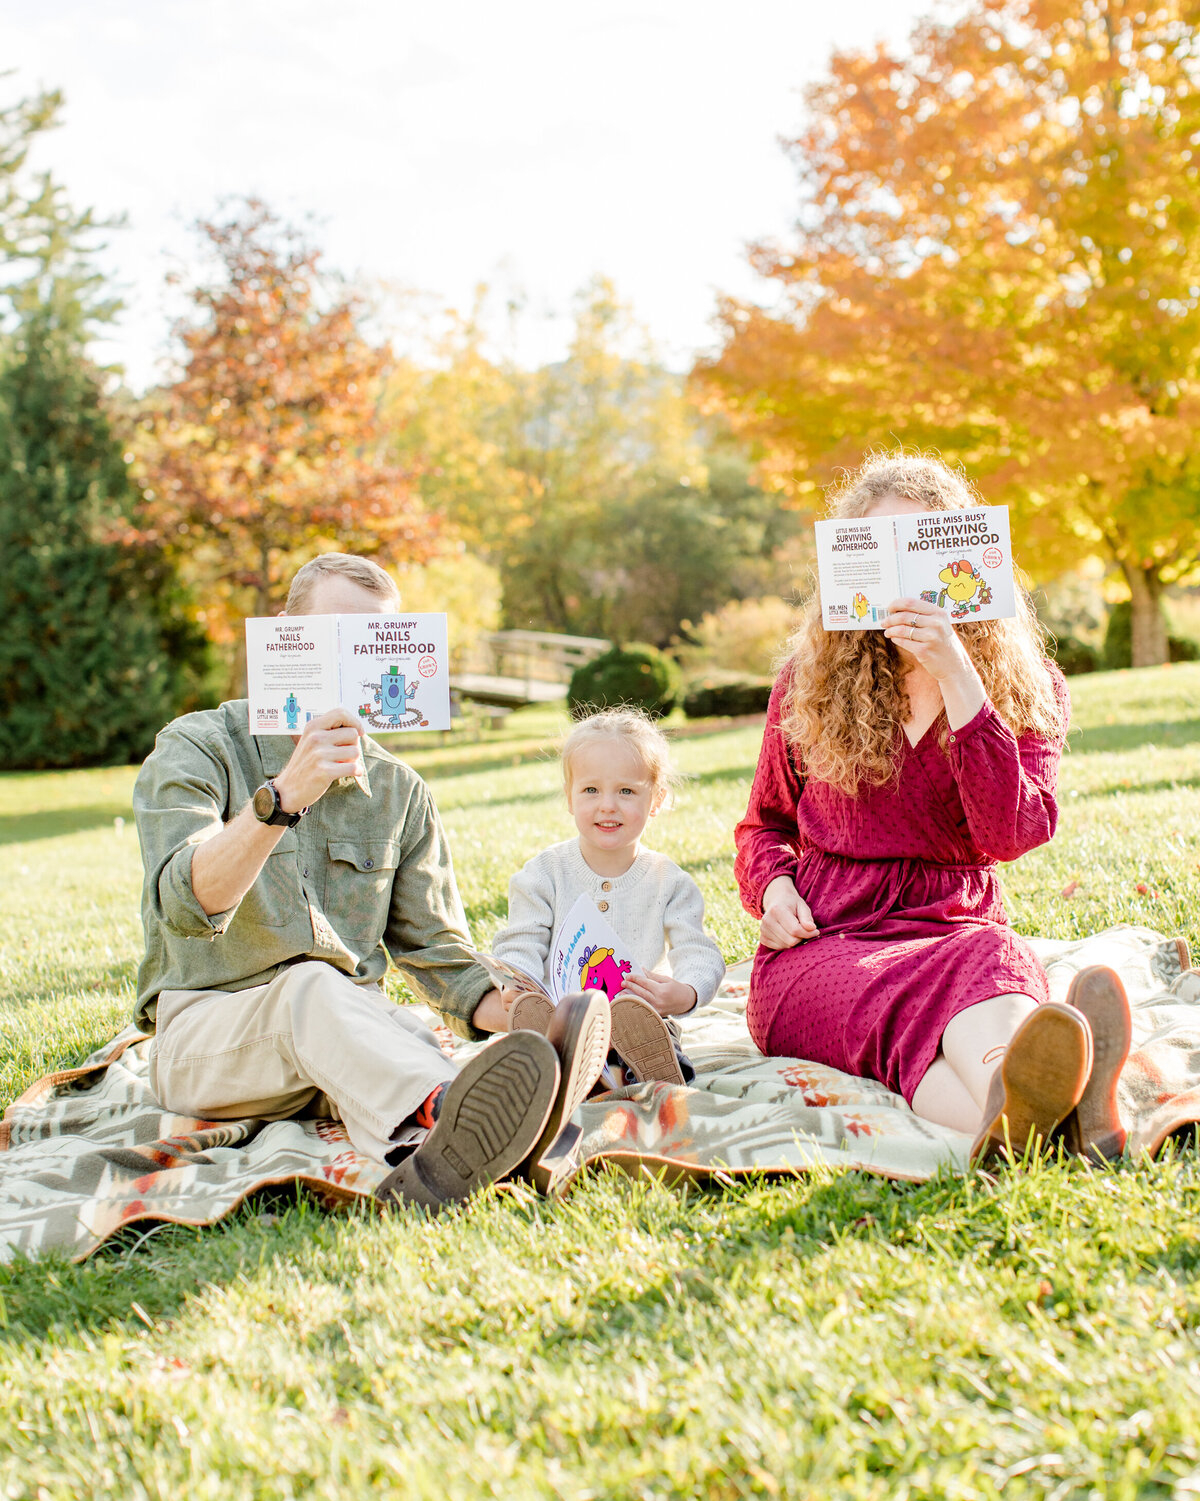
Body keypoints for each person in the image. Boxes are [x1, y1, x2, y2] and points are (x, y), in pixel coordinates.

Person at [133, 552, 608, 1212]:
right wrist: (284, 796)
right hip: (209, 1037)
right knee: (311, 991)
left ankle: (449, 1154)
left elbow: (440, 956)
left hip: (350, 1027)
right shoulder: (199, 745)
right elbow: (186, 904)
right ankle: (450, 1114)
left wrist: (533, 1007)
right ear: (284, 634)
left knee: (395, 1033)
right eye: (333, 641)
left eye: (368, 646)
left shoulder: (399, 791)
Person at [734, 452, 1132, 1163]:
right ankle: (1067, 1115)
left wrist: (959, 679)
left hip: (955, 924)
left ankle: (1024, 1113)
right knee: (884, 1000)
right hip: (828, 941)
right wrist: (773, 886)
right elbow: (765, 824)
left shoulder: (1027, 686)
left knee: (992, 957)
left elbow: (1011, 834)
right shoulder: (807, 682)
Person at [473, 707, 727, 1086]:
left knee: (649, 1031)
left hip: (639, 1015)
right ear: (570, 798)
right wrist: (517, 982)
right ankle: (557, 1063)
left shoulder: (668, 881)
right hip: (564, 1014)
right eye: (591, 790)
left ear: (656, 800)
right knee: (547, 1028)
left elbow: (698, 951)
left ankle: (640, 1073)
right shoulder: (544, 873)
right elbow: (521, 939)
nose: (608, 805)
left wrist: (686, 992)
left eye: (626, 791)